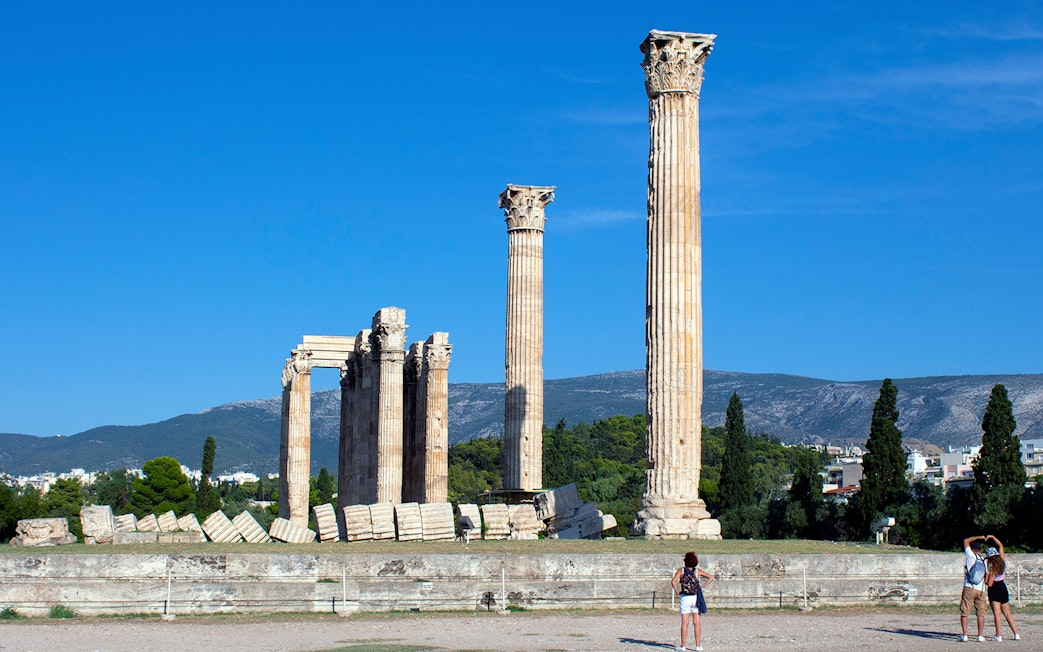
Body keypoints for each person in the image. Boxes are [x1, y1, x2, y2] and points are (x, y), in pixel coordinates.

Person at [671, 551, 714, 651]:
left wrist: (678, 591)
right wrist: (700, 587)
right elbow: (711, 578)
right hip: (695, 597)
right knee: (697, 623)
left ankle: (683, 646)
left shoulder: (680, 571)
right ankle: (698, 646)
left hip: (685, 597)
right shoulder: (697, 571)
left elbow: (673, 582)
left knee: (684, 623)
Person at [984, 535, 1020, 642]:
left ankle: (998, 635)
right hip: (1003, 586)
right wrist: (993, 537)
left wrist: (985, 578)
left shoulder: (992, 568)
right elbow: (1000, 545)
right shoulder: (1002, 562)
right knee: (1007, 613)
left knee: (997, 613)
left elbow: (989, 584)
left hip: (995, 588)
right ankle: (1016, 633)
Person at [959, 534, 989, 642]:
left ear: (972, 549)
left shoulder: (971, 556)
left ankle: (965, 635)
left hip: (969, 587)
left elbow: (966, 540)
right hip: (981, 589)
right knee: (981, 613)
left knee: (965, 611)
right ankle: (980, 635)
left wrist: (979, 537)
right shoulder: (984, 560)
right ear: (980, 550)